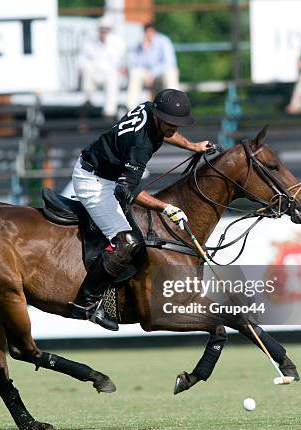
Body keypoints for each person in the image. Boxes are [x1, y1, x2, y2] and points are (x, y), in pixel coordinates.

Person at [70, 88, 211, 330]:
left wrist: (193, 147)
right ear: (158, 116)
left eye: (177, 124)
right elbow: (127, 191)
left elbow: (165, 134)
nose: (173, 128)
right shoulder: (140, 145)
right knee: (127, 241)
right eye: (169, 123)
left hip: (107, 174)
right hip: (93, 181)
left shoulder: (151, 110)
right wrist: (165, 207)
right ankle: (87, 303)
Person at [77, 16, 126, 119]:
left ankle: (109, 112)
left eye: (106, 30)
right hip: (96, 75)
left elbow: (117, 63)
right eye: (101, 30)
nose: (103, 32)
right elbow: (82, 60)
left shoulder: (117, 43)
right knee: (87, 67)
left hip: (111, 75)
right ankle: (87, 99)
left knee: (112, 75)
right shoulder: (91, 43)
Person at [126, 22, 180, 111]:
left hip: (159, 75)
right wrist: (144, 50)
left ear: (155, 32)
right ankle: (131, 109)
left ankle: (174, 106)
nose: (149, 35)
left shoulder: (164, 41)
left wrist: (152, 73)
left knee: (171, 72)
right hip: (147, 76)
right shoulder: (140, 45)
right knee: (135, 73)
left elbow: (170, 62)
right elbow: (134, 64)